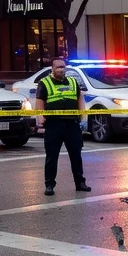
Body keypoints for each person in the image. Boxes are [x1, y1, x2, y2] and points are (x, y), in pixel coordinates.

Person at [34, 57, 89, 196]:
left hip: (72, 124)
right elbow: (40, 100)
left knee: (76, 155)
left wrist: (82, 115)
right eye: (58, 67)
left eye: (63, 67)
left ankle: (80, 182)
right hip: (54, 125)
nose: (61, 69)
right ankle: (49, 185)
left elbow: (79, 97)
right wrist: (40, 116)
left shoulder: (72, 81)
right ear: (52, 68)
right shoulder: (44, 82)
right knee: (52, 156)